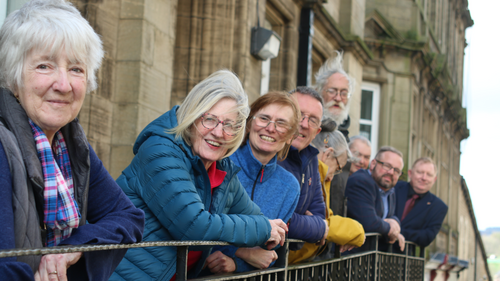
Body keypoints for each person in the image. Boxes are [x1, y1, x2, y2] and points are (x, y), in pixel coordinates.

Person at [0, 1, 145, 280]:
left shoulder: (71, 145)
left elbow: (128, 216)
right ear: (13, 78)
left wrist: (73, 249)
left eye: (76, 69)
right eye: (44, 66)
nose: (64, 85)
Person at [111, 70, 288, 281]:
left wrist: (261, 234)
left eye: (230, 125)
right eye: (209, 119)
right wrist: (263, 229)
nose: (219, 132)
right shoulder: (161, 151)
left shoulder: (221, 168)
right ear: (191, 117)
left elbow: (255, 218)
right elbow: (193, 226)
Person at [205, 91, 301, 274]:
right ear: (250, 123)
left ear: (290, 136)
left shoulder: (289, 187)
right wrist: (241, 252)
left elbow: (270, 253)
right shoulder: (219, 161)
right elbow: (194, 224)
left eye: (281, 123)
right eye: (264, 118)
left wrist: (236, 264)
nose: (270, 128)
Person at [288, 124, 365, 264]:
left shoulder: (315, 172)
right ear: (328, 153)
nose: (333, 176)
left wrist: (321, 226)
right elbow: (325, 223)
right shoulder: (308, 170)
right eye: (338, 168)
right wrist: (357, 232)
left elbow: (323, 220)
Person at [278, 86, 328, 249]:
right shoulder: (269, 152)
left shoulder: (311, 159)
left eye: (312, 120)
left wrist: (315, 225)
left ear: (317, 131)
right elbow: (276, 218)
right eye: (299, 114)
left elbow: (320, 214)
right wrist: (316, 227)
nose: (304, 124)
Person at [345, 146, 406, 252]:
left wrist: (395, 222)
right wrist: (390, 229)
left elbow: (390, 217)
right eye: (387, 166)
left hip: (370, 259)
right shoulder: (361, 181)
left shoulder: (389, 190)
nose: (391, 172)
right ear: (373, 164)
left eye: (396, 170)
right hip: (351, 258)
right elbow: (369, 222)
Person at [395, 157, 448, 248]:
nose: (424, 178)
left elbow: (427, 237)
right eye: (420, 172)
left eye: (429, 175)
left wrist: (393, 232)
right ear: (410, 173)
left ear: (434, 179)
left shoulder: (438, 207)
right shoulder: (394, 188)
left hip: (404, 257)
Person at [314, 50, 355, 141]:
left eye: (344, 93)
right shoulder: (307, 130)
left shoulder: (346, 139)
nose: (338, 98)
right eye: (332, 91)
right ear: (318, 92)